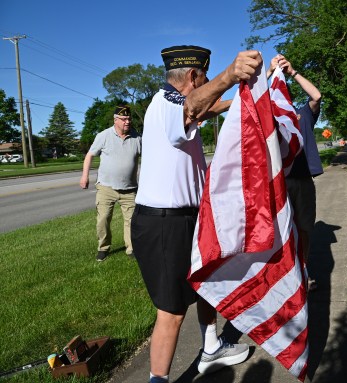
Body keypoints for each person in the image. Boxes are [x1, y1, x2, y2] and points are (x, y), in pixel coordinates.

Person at [131, 45, 260, 383]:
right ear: (192, 76)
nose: (206, 84)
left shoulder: (176, 106)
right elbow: (193, 107)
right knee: (171, 311)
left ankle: (212, 347)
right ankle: (158, 379)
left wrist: (241, 98)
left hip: (184, 218)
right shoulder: (167, 102)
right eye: (204, 77)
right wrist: (230, 74)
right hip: (164, 223)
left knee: (206, 284)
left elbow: (204, 109)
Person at [267, 54, 323, 291]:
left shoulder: (304, 114)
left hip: (303, 180)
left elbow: (317, 95)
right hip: (279, 182)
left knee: (304, 228)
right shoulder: (272, 118)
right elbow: (248, 103)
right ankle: (283, 276)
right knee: (281, 232)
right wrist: (269, 74)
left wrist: (292, 72)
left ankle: (303, 269)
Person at [80, 105, 141, 261]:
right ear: (116, 120)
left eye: (129, 118)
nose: (128, 121)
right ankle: (103, 248)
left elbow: (147, 159)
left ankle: (131, 248)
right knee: (103, 219)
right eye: (124, 119)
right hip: (106, 187)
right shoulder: (104, 135)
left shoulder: (137, 137)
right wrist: (84, 176)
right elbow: (89, 155)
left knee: (131, 221)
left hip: (130, 189)